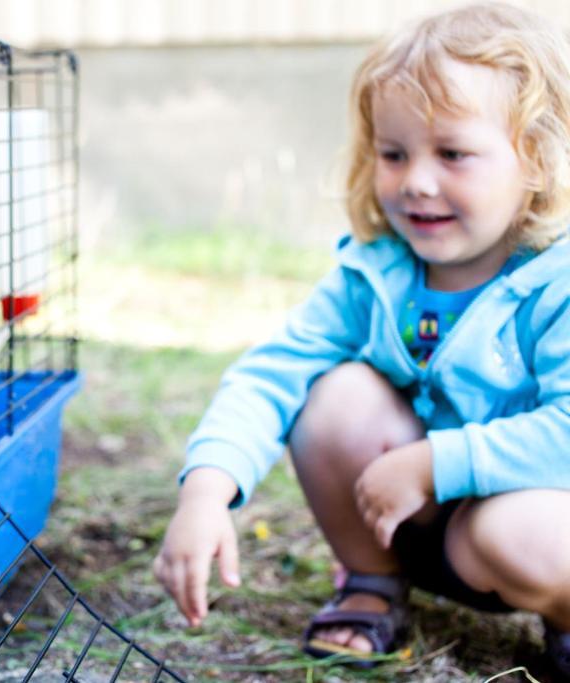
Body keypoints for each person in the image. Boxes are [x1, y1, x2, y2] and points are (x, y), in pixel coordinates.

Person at [152, 2, 570, 677]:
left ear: (538, 159)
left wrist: (437, 462)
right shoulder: (374, 275)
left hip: (528, 529)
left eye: (453, 153)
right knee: (334, 393)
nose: (417, 181)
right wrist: (206, 492)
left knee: (515, 532)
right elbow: (271, 374)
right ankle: (373, 585)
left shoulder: (558, 282)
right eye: (394, 153)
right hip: (406, 522)